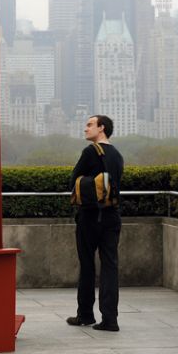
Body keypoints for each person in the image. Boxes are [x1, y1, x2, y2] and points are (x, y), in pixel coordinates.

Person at [66, 114, 124, 331]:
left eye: (90, 125)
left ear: (102, 128)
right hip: (112, 216)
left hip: (90, 216)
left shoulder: (90, 152)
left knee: (87, 265)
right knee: (110, 266)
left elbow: (73, 181)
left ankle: (85, 315)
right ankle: (110, 319)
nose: (85, 128)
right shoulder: (117, 155)